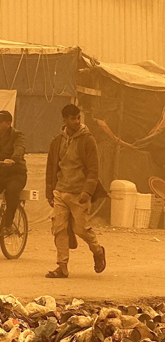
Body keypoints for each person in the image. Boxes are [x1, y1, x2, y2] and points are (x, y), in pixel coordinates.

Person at [45, 104, 107, 279]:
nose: (77, 121)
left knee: (81, 229)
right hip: (60, 191)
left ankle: (97, 250)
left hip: (79, 193)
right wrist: (49, 192)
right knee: (59, 229)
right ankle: (62, 266)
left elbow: (93, 170)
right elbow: (51, 168)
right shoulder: (57, 141)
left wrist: (87, 192)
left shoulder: (87, 140)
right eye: (73, 118)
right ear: (65, 120)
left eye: (78, 118)